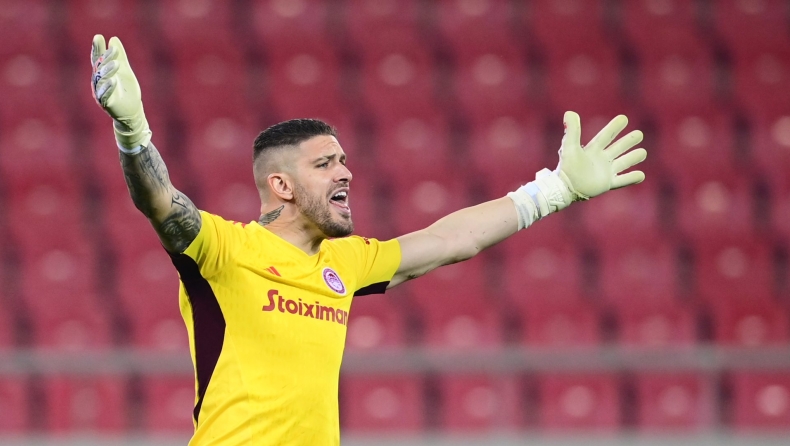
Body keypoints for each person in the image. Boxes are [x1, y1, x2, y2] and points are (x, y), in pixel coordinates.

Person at [90, 34, 647, 445]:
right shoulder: (224, 250)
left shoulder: (347, 262)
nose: (346, 173)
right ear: (281, 185)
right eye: (325, 164)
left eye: (344, 160)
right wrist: (133, 132)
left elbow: (451, 240)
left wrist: (554, 190)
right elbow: (162, 203)